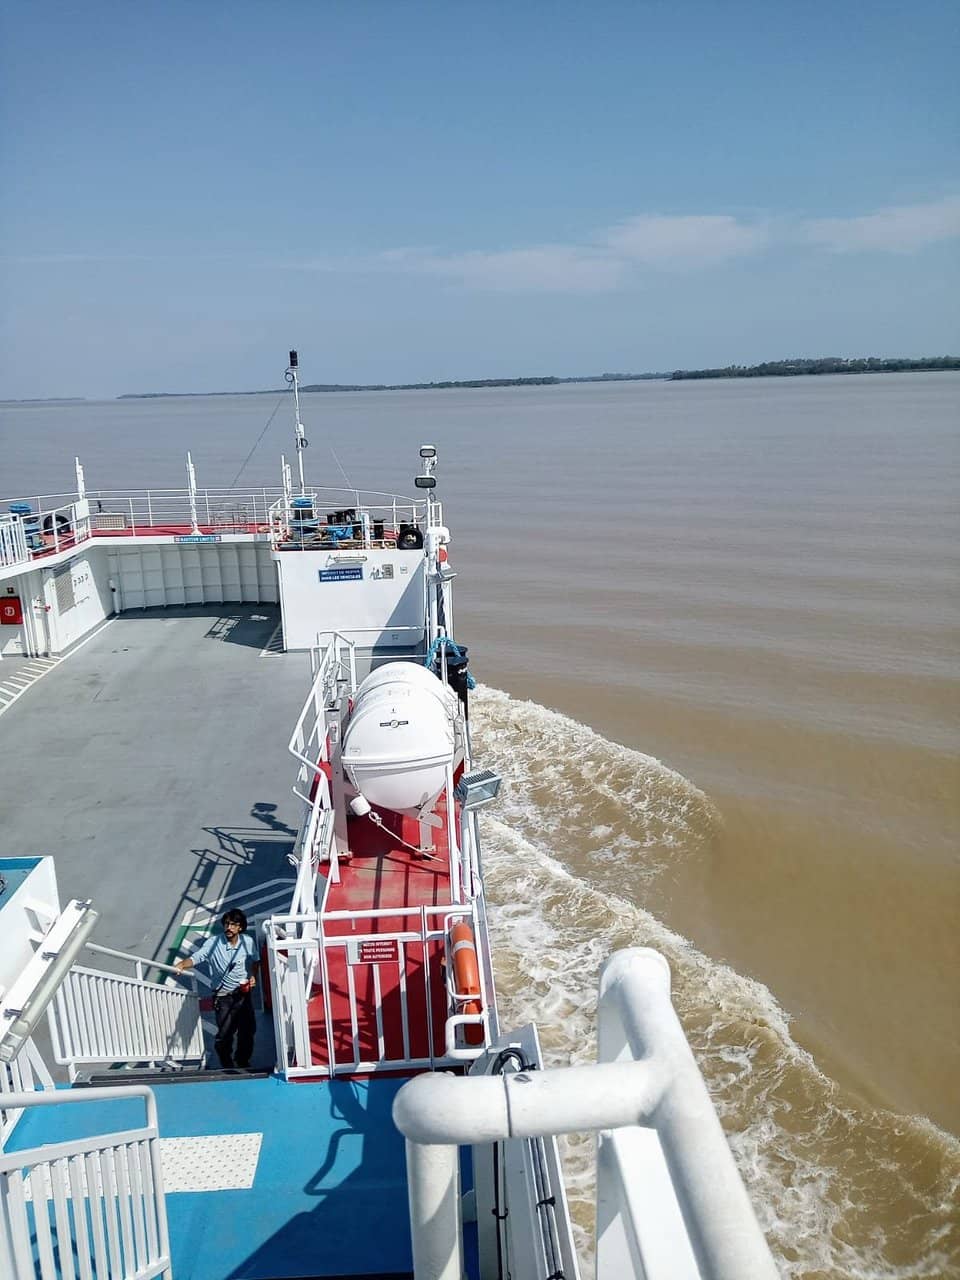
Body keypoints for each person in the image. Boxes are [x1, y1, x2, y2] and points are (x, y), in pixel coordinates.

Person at [175, 908, 259, 1069]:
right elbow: (197, 957)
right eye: (227, 924)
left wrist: (253, 976)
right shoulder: (213, 943)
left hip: (243, 994)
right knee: (225, 1033)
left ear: (240, 927)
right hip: (223, 997)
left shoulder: (247, 942)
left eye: (233, 925)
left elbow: (255, 961)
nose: (229, 928)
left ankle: (242, 1060)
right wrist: (182, 964)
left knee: (248, 1030)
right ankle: (226, 1062)